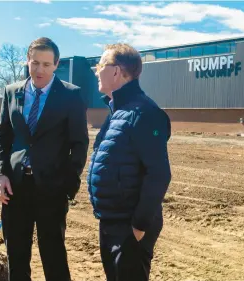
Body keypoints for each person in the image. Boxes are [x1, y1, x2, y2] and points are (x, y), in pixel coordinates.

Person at [0, 37, 89, 281]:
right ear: (27, 61)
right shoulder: (12, 92)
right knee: (16, 257)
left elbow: (79, 144)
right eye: (35, 63)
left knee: (54, 258)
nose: (39, 70)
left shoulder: (71, 95)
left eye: (46, 64)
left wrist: (67, 185)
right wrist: (0, 174)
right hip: (14, 188)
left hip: (51, 190)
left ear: (56, 64)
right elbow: (2, 138)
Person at [87, 43, 172, 281]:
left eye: (100, 65)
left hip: (129, 226)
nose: (96, 71)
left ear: (116, 71)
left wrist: (138, 227)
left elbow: (159, 174)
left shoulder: (144, 113)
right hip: (112, 221)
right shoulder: (119, 111)